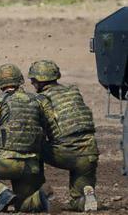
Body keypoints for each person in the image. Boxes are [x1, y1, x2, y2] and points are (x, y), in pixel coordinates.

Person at [0, 64, 52, 212]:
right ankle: (42, 197)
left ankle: (2, 194)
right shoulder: (37, 101)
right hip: (32, 167)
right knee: (23, 206)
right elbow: (46, 129)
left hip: (8, 164)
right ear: (20, 80)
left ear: (0, 83)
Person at [28, 60, 99, 212]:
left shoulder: (40, 100)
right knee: (77, 202)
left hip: (65, 153)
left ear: (39, 81)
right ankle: (84, 199)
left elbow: (33, 130)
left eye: (33, 80)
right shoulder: (73, 91)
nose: (32, 84)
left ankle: (40, 193)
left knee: (31, 146)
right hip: (90, 153)